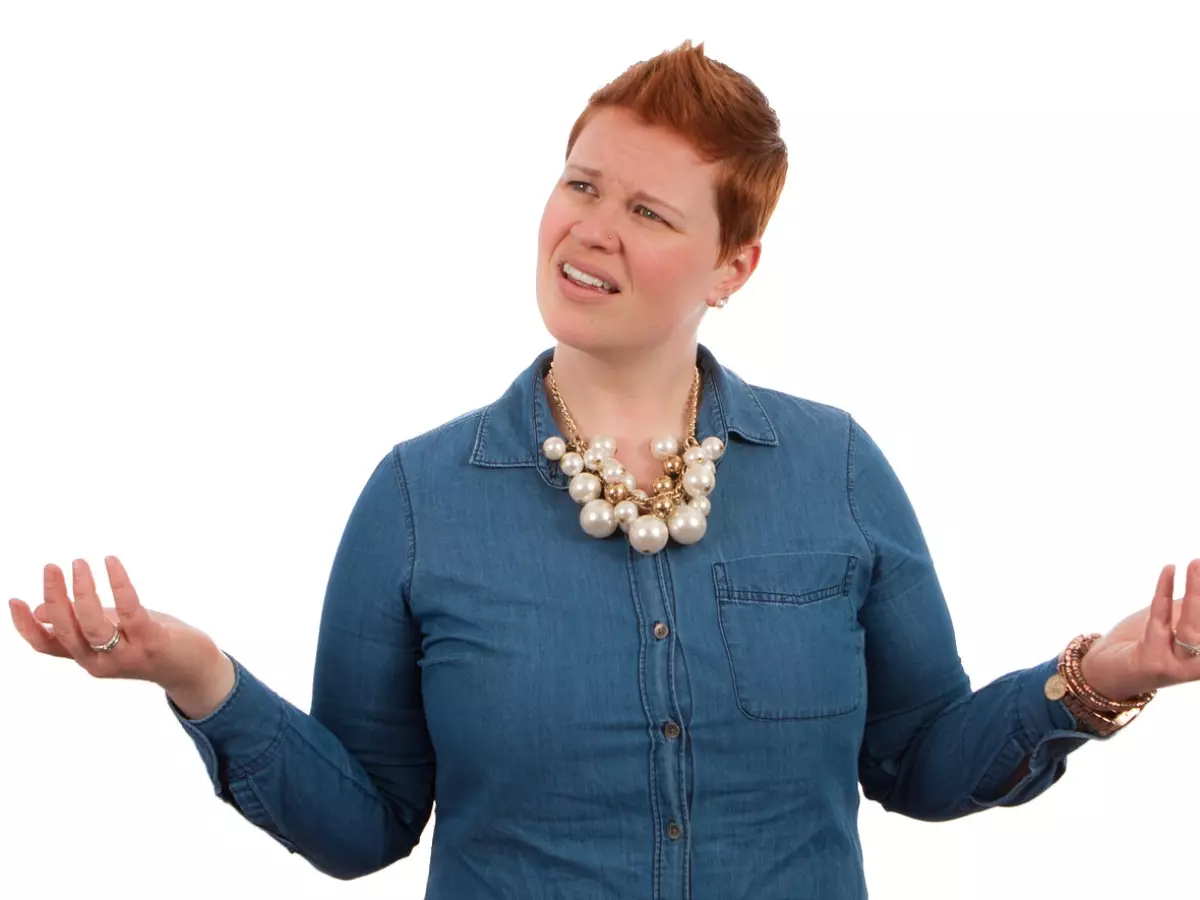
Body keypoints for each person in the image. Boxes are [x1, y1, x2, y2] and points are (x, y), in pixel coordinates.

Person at [9, 39, 1200, 900]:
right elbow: (366, 827)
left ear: (733, 266)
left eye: (648, 210)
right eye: (581, 184)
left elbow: (920, 761)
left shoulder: (834, 468)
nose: (591, 228)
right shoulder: (420, 499)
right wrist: (197, 675)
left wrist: (1108, 673)